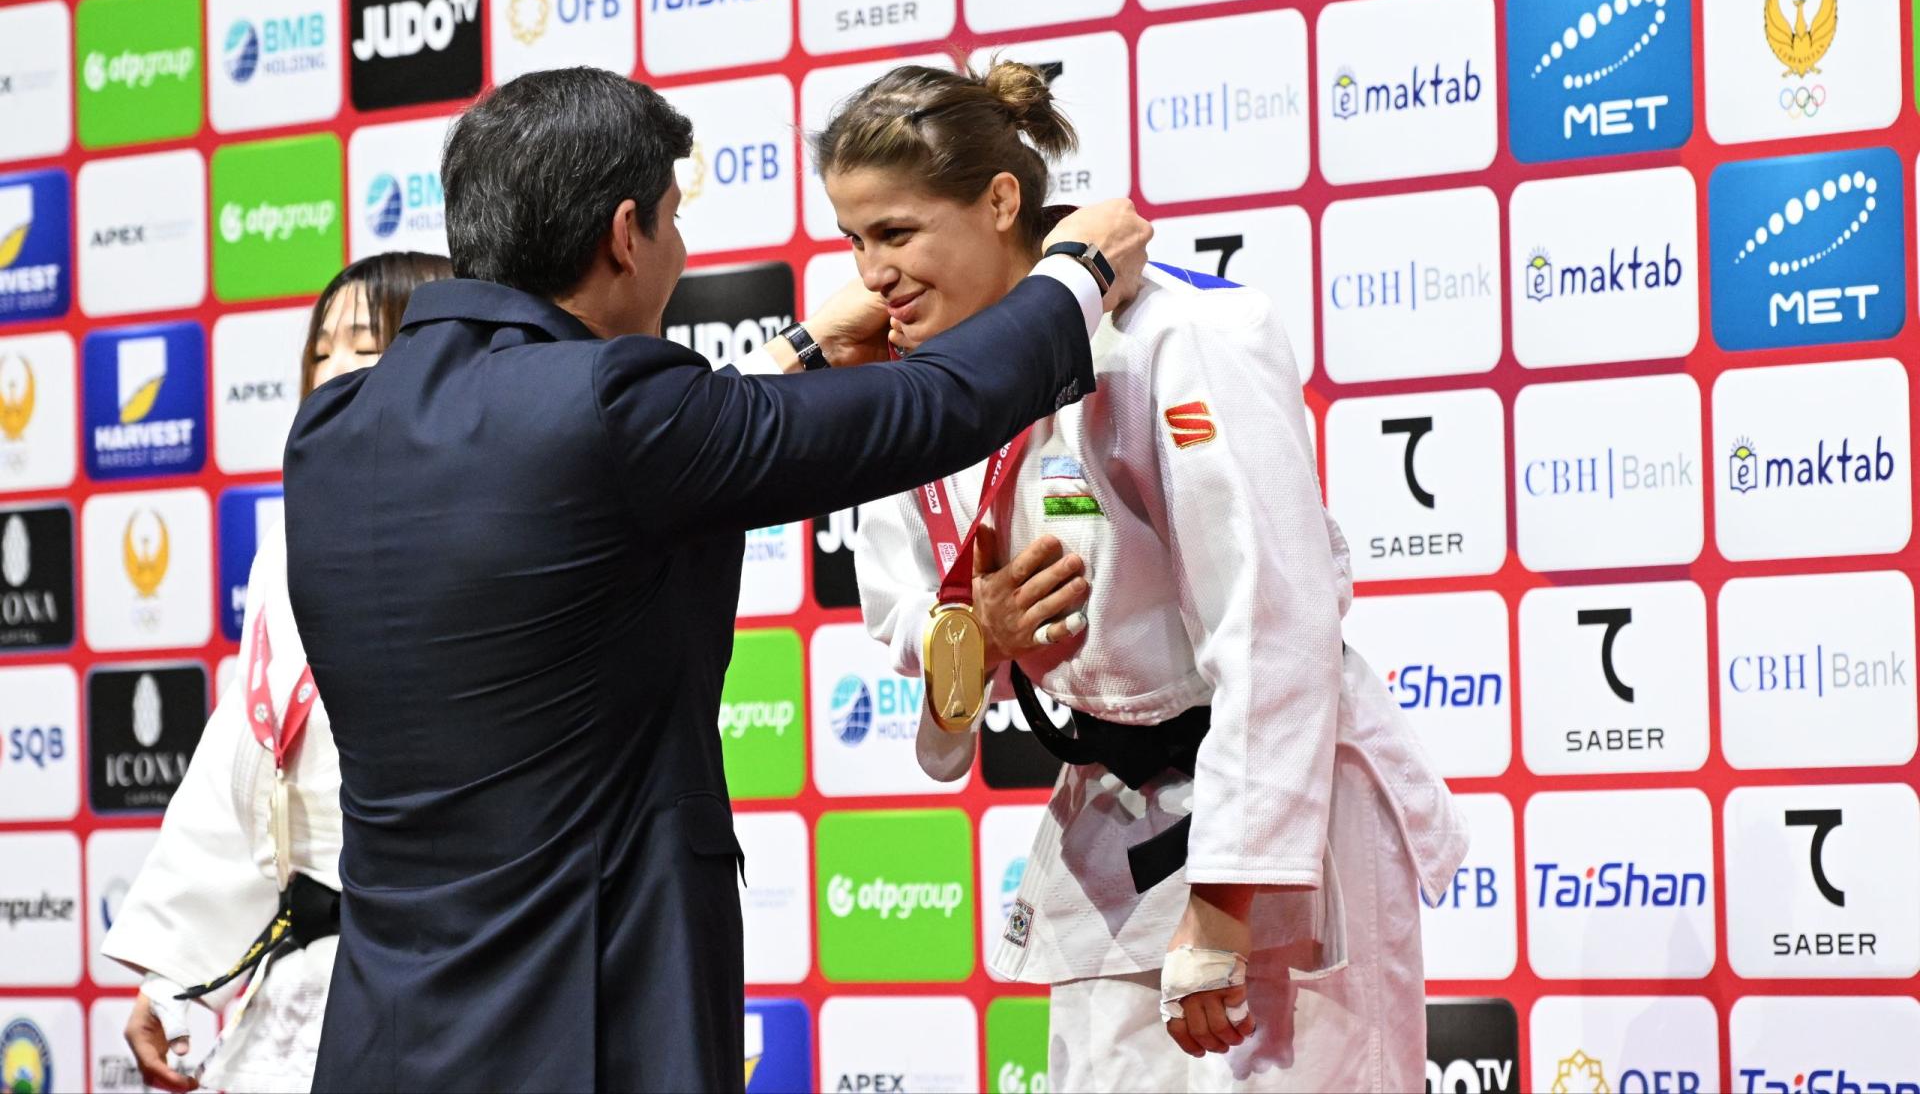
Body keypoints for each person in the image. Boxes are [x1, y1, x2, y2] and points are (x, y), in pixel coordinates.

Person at [278, 66, 1152, 1093]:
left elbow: (598, 468)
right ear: (626, 234)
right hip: (586, 1016)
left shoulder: (333, 429)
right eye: (675, 221)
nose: (682, 251)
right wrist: (1076, 273)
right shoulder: (613, 406)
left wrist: (803, 351)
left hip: (386, 1027)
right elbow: (934, 406)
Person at [826, 60, 1470, 1091]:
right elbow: (905, 608)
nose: (872, 275)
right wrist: (975, 630)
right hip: (1112, 811)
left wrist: (1224, 901)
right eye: (853, 240)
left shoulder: (1177, 336)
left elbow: (1274, 623)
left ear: (1001, 202)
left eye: (896, 233)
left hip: (1273, 813)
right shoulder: (915, 378)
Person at [102, 252, 455, 1094]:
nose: (332, 369)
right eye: (320, 351)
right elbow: (249, 753)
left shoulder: (497, 524)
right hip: (315, 965)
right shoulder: (293, 537)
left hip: (457, 970)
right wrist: (172, 974)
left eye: (364, 344)